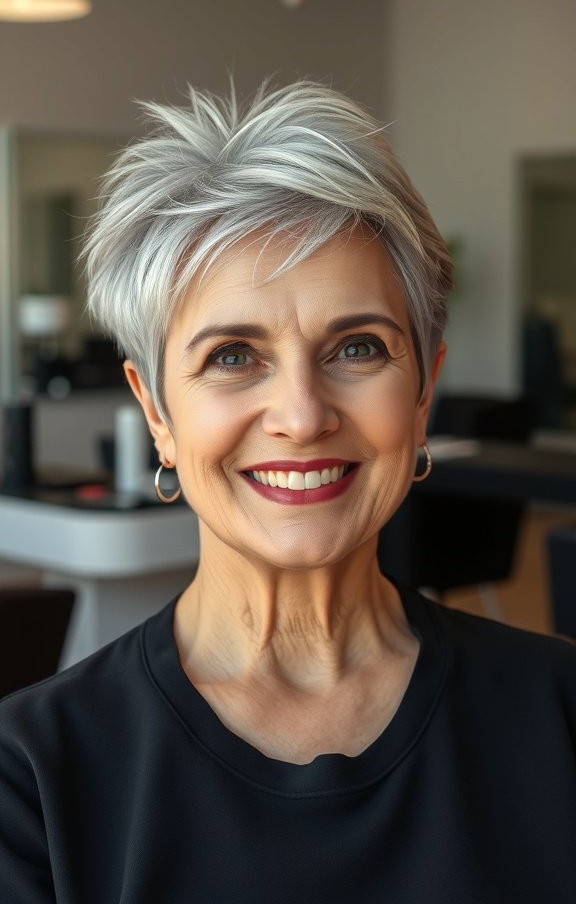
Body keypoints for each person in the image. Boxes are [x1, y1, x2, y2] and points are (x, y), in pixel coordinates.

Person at [0, 81, 575, 904]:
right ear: (156, 413)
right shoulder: (34, 775)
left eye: (358, 347)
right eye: (234, 355)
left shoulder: (561, 715)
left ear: (423, 395)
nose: (302, 416)